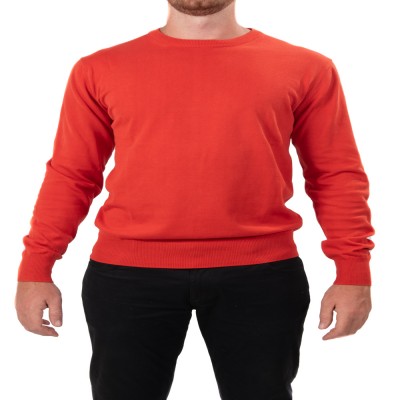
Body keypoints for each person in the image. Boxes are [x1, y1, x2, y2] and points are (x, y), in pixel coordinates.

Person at [15, 0, 375, 399]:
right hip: (128, 274)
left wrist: (352, 270)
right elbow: (72, 175)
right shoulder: (99, 69)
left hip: (261, 274)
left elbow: (334, 174)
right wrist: (37, 265)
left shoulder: (307, 68)